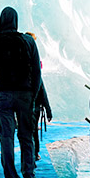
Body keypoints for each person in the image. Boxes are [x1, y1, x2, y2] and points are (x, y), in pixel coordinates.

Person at [0, 6, 41, 178]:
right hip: (24, 93)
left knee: (6, 137)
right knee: (26, 134)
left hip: (2, 94)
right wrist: (33, 93)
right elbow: (37, 71)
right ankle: (28, 172)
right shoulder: (28, 41)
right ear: (16, 20)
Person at [24, 32, 53, 162]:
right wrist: (48, 110)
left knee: (27, 131)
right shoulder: (35, 66)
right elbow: (42, 90)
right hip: (34, 106)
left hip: (24, 105)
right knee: (33, 130)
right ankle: (34, 154)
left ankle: (30, 155)